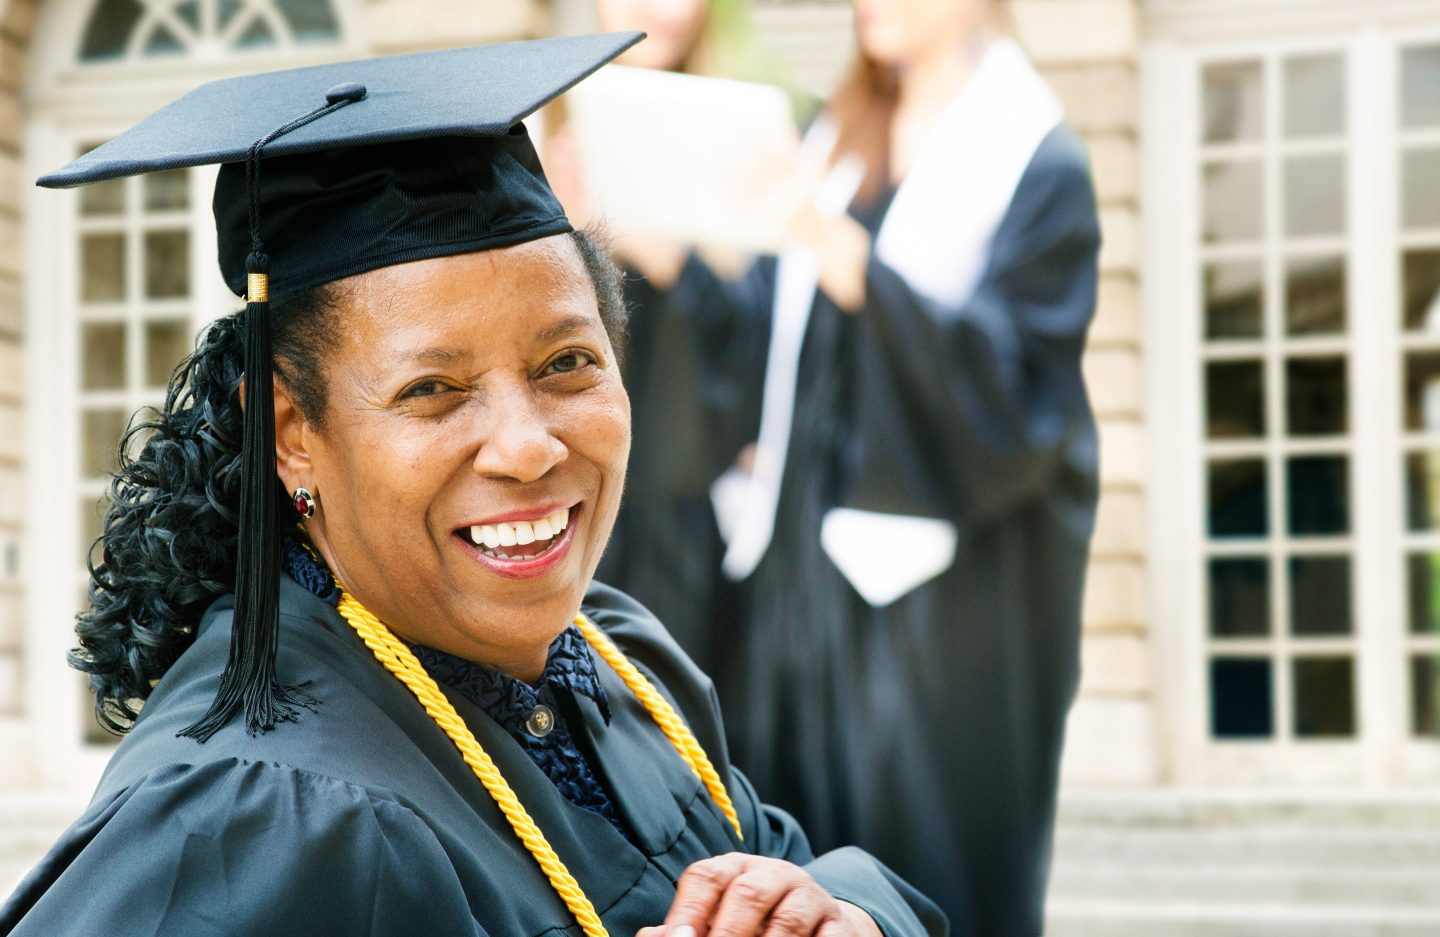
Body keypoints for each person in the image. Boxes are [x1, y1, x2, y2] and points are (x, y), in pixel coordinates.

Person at [0, 36, 945, 937]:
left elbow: (782, 856)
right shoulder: (255, 810)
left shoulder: (616, 660)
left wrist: (844, 910)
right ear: (293, 433)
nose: (528, 447)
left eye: (568, 361)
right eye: (432, 390)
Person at [622, 0, 1102, 932]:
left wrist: (844, 255)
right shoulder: (839, 138)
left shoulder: (1034, 160)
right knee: (794, 864)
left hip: (931, 622)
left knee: (915, 875)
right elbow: (769, 351)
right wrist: (687, 262)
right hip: (795, 592)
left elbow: (1016, 407)